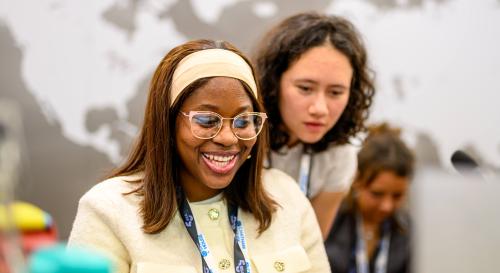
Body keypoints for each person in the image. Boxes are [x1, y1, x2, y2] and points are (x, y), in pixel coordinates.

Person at [68, 39, 330, 273]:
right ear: (167, 124)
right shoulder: (108, 209)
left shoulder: (287, 197)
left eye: (243, 121)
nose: (228, 138)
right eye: (206, 120)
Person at [253, 12, 375, 239]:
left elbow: (312, 248)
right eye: (305, 88)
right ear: (274, 82)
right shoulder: (240, 136)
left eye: (336, 92)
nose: (320, 108)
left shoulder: (340, 155)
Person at [324, 123, 415, 273]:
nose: (387, 205)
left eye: (397, 196)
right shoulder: (329, 221)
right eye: (377, 194)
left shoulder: (407, 231)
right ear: (357, 181)